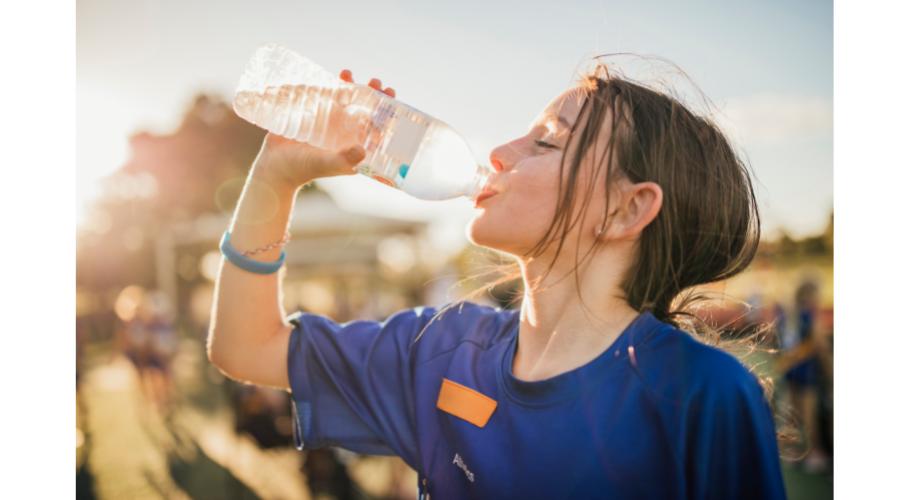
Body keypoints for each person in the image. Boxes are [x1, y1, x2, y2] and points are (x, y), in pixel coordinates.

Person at [208, 62, 787, 499]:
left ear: (625, 211)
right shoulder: (442, 349)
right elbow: (246, 346)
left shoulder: (701, 394)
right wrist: (274, 179)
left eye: (547, 141)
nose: (499, 153)